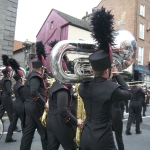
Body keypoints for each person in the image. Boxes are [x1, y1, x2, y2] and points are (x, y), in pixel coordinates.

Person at [78, 7, 132, 150]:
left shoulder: (82, 86)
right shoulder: (111, 88)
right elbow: (129, 92)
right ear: (108, 69)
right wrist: (117, 75)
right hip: (102, 139)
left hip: (86, 136)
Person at [20, 60, 48, 150]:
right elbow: (33, 91)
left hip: (29, 106)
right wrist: (44, 104)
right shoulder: (36, 77)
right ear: (40, 68)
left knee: (28, 133)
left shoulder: (30, 76)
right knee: (44, 132)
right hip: (36, 107)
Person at [46, 81, 83, 149]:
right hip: (61, 123)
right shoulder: (62, 90)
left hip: (51, 119)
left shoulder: (55, 85)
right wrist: (76, 121)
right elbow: (63, 111)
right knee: (71, 147)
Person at [5, 58, 26, 142]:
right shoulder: (21, 86)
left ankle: (8, 137)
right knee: (23, 122)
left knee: (13, 123)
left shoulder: (15, 85)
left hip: (15, 104)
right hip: (21, 105)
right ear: (20, 79)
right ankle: (26, 136)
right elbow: (24, 98)